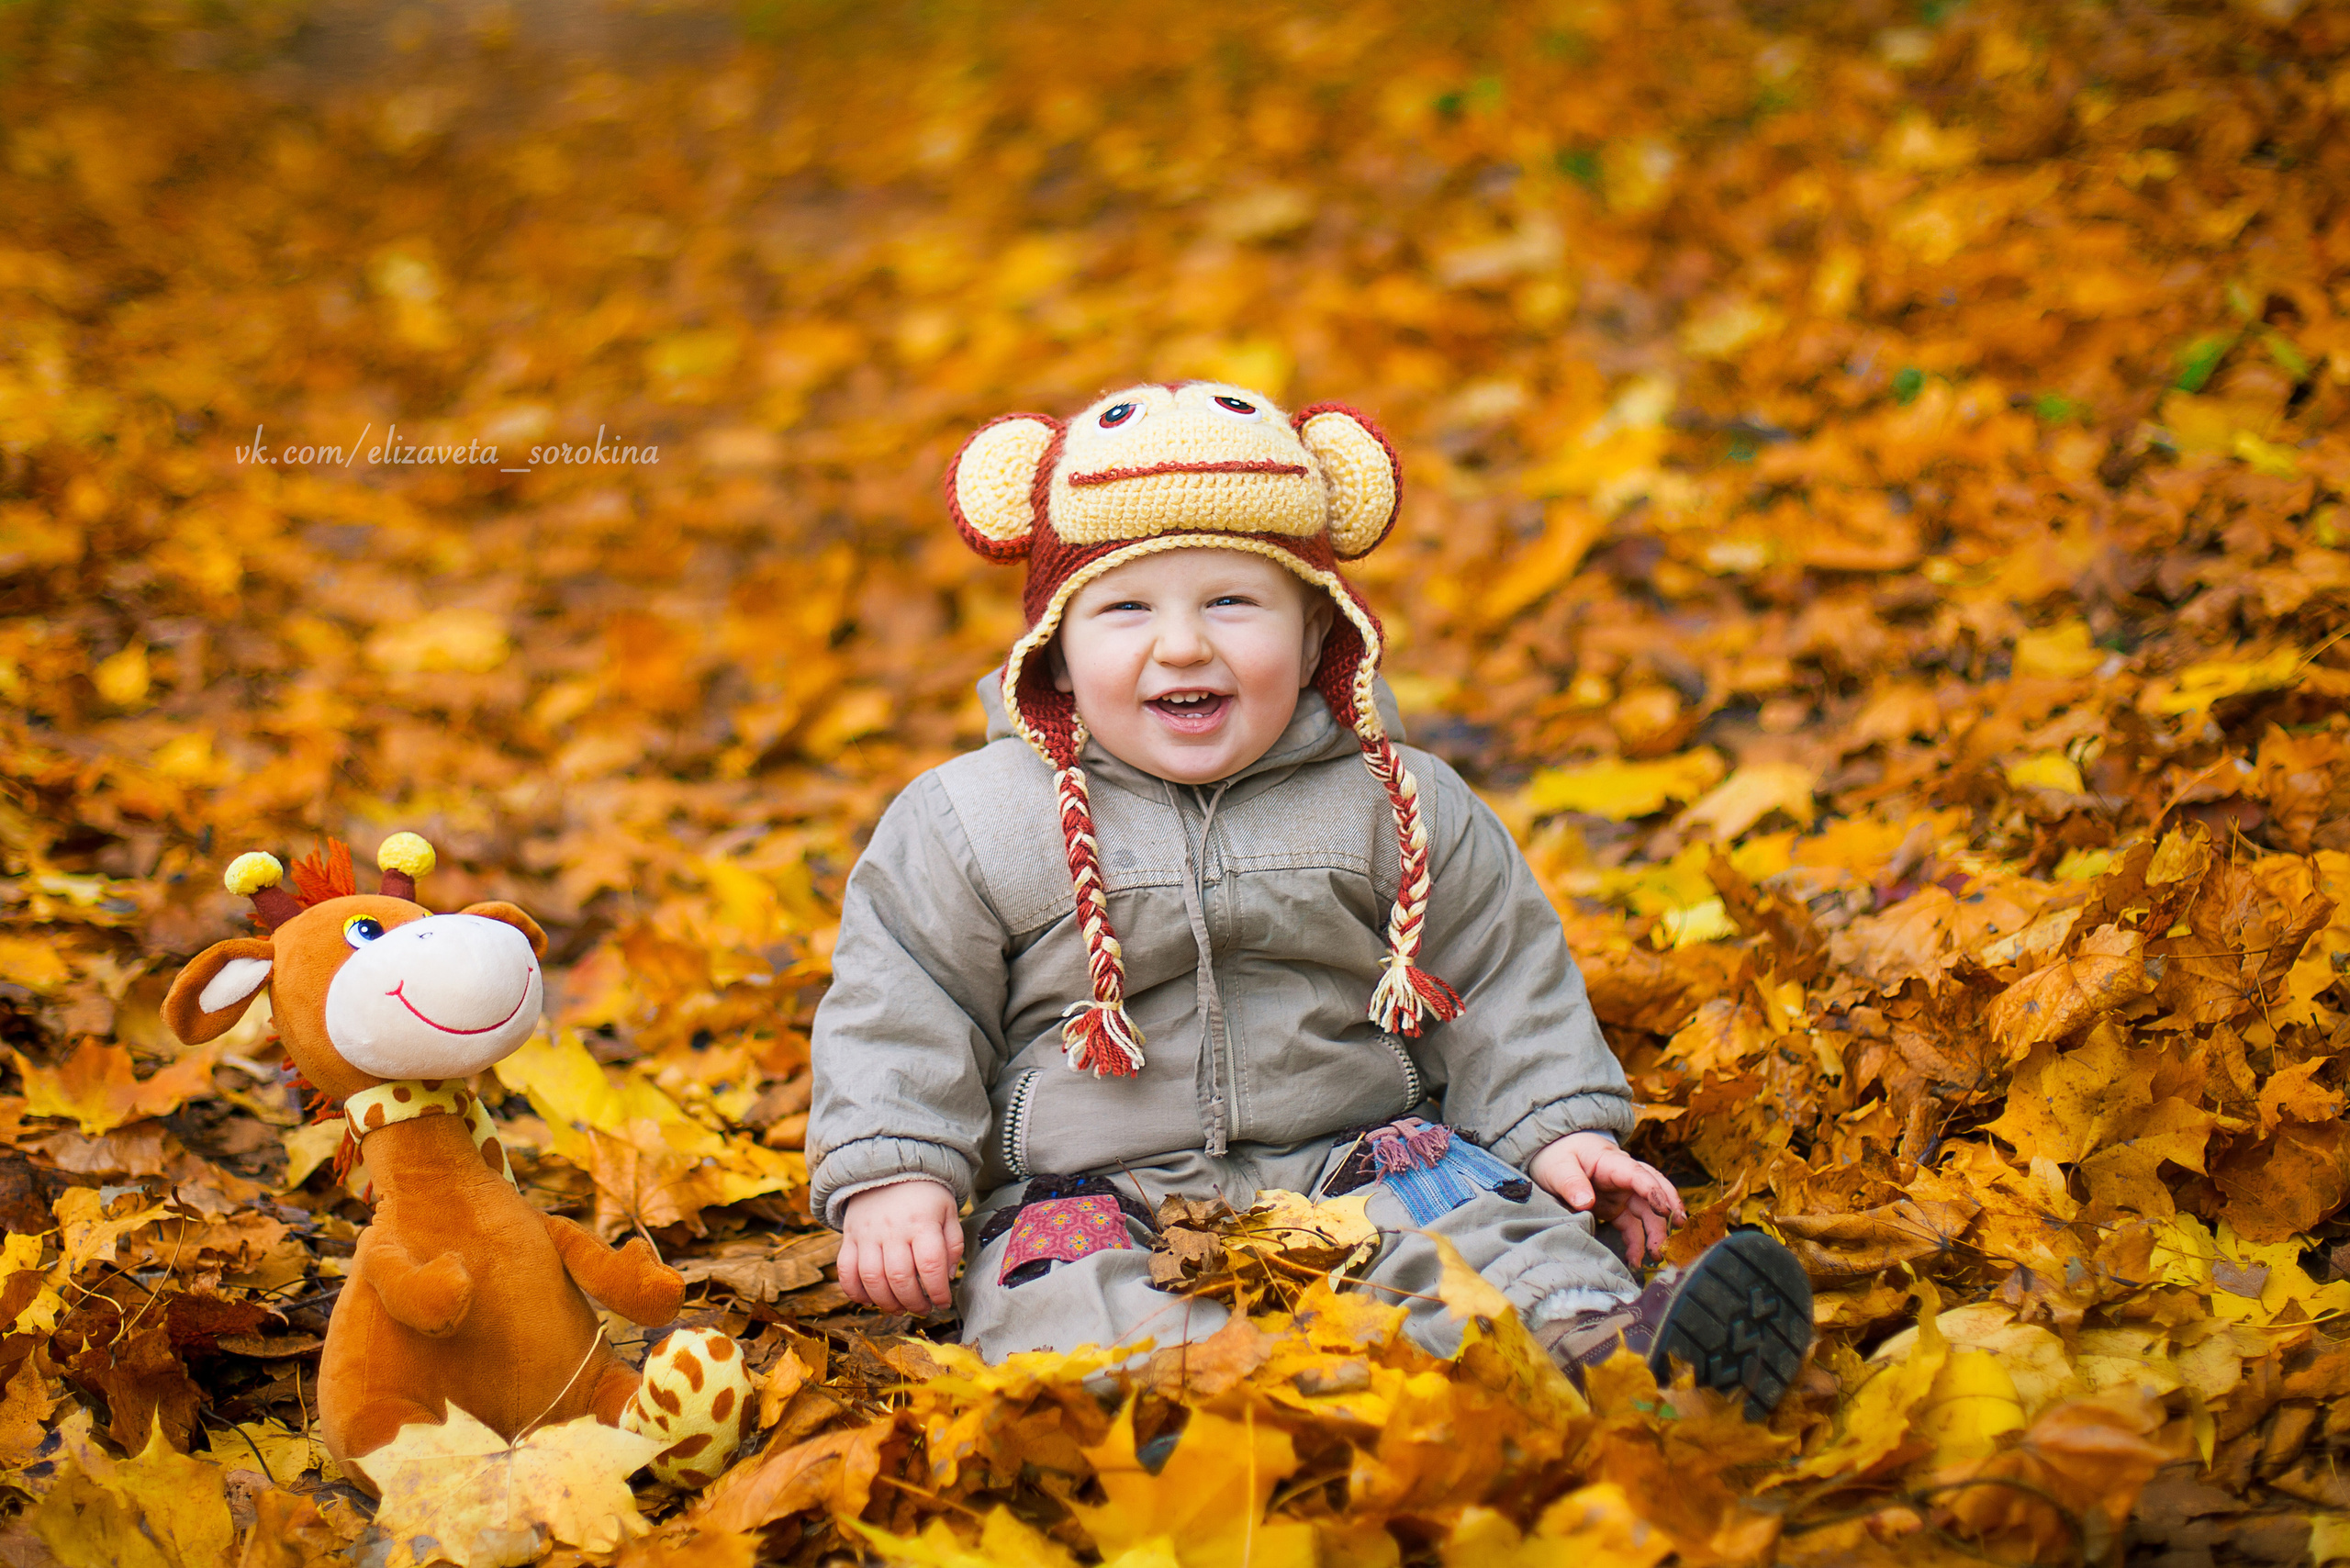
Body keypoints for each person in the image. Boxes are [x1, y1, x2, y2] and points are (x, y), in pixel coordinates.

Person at [807, 381, 1812, 1417]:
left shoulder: (1396, 800)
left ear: (1318, 627)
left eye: (1233, 602)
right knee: (1056, 1293)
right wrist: (897, 1171)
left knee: (1486, 1226)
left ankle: (1601, 1346)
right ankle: (1157, 1409)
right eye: (1125, 608)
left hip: (1359, 1154)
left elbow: (1501, 972)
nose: (1184, 645)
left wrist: (1556, 1131)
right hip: (1096, 1182)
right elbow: (903, 999)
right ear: (1056, 646)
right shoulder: (973, 820)